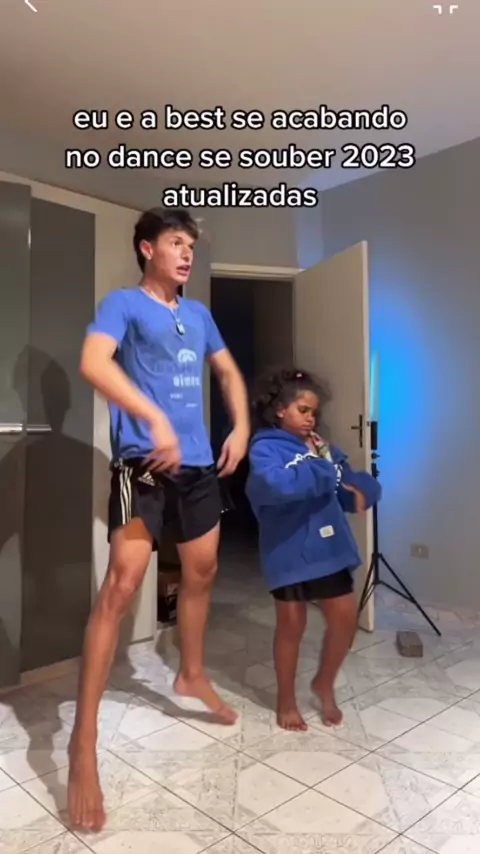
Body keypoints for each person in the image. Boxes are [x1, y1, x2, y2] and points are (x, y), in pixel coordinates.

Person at [68, 208, 250, 831]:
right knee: (121, 588)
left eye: (190, 245)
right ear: (147, 248)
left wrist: (242, 425)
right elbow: (94, 363)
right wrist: (153, 418)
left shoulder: (197, 315)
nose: (187, 253)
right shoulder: (123, 303)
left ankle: (190, 674)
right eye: (176, 242)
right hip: (143, 466)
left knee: (203, 571)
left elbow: (227, 371)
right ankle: (82, 745)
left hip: (197, 468)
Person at [245, 368, 381, 732]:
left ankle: (324, 682)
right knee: (291, 624)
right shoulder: (265, 448)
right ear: (279, 410)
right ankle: (286, 699)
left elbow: (343, 483)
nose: (310, 418)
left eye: (314, 412)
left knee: (345, 618)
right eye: (303, 410)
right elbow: (278, 486)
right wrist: (322, 469)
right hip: (287, 549)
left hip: (328, 546)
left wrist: (362, 489)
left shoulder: (322, 447)